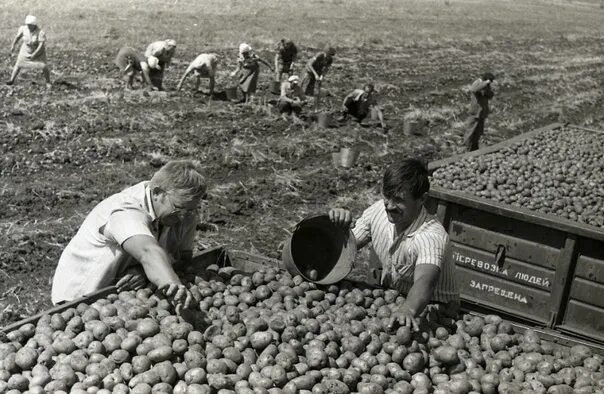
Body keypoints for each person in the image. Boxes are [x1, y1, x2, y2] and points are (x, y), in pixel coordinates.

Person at [51, 160, 208, 310]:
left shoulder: (185, 213)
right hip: (82, 297)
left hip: (123, 298)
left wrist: (143, 270)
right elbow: (147, 251)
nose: (184, 217)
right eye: (179, 209)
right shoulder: (125, 210)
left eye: (192, 210)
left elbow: (183, 258)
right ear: (157, 193)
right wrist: (174, 285)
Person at [329, 159, 459, 330]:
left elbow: (425, 281)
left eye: (398, 200)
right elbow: (345, 247)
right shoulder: (378, 212)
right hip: (391, 299)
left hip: (436, 312)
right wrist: (336, 227)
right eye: (386, 195)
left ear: (422, 199)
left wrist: (408, 310)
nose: (389, 205)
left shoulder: (431, 236)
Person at [7, 15, 51, 89]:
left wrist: (35, 53)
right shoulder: (23, 29)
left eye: (30, 25)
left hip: (38, 51)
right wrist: (13, 45)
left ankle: (48, 82)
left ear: (34, 25)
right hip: (26, 50)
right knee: (18, 64)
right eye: (27, 25)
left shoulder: (40, 32)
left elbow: (41, 45)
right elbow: (17, 37)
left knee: (44, 66)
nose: (28, 26)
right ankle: (11, 80)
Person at [463, 72, 495, 152]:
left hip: (482, 112)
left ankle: (474, 148)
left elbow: (490, 95)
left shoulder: (486, 85)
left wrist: (487, 89)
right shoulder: (477, 83)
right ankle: (465, 149)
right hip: (475, 112)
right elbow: (474, 89)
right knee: (470, 131)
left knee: (479, 132)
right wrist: (485, 83)